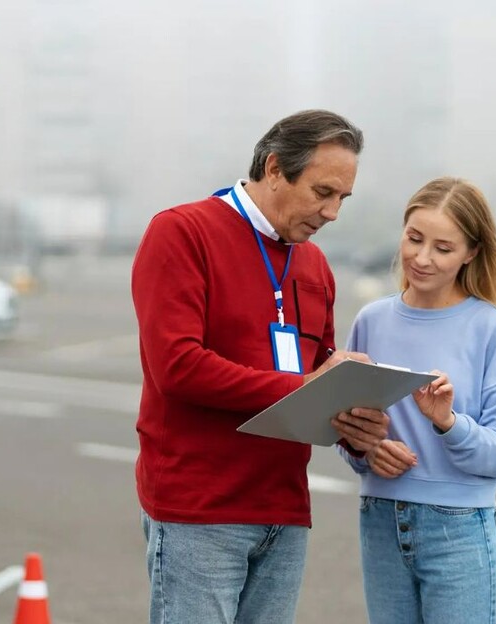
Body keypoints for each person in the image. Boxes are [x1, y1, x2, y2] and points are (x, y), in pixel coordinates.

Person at [131, 109, 391, 624]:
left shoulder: (314, 262)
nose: (333, 212)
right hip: (199, 510)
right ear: (275, 169)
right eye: (323, 193)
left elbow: (318, 379)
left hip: (285, 511)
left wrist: (356, 424)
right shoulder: (181, 233)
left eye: (343, 198)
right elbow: (177, 367)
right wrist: (304, 386)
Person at [339, 176, 496, 624]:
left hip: (459, 528)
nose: (421, 258)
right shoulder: (371, 320)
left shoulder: (489, 326)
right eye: (414, 239)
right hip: (380, 520)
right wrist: (367, 450)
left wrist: (448, 422)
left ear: (472, 252)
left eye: (443, 248)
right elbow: (346, 425)